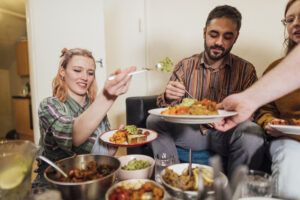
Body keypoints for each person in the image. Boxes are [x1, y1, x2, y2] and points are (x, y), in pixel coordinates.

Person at [146, 5, 265, 177]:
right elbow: (164, 107)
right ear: (204, 32)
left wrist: (228, 115)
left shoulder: (246, 70)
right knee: (154, 120)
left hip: (225, 134)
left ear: (235, 38)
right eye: (213, 34)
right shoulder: (184, 66)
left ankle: (238, 191)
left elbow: (252, 113)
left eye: (227, 37)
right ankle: (168, 180)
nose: (218, 42)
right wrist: (167, 96)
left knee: (252, 133)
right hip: (190, 133)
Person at [219, 1, 300, 198]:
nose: (295, 23)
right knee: (290, 164)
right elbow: (265, 109)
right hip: (289, 140)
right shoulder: (275, 69)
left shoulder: (245, 69)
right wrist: (267, 122)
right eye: (290, 19)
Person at [32, 48, 136, 191]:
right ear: (62, 71)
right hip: (56, 184)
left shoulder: (95, 108)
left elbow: (102, 155)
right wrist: (107, 96)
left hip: (92, 179)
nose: (84, 77)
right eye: (77, 70)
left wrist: (112, 146)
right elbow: (74, 135)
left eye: (90, 73)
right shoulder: (49, 106)